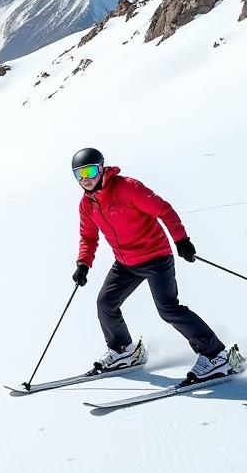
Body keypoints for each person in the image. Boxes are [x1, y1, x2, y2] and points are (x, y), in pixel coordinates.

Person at [70, 147, 236, 382]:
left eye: (90, 171)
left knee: (168, 309)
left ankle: (216, 355)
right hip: (125, 262)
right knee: (106, 303)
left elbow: (163, 210)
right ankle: (123, 352)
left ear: (102, 168)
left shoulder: (127, 187)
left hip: (156, 256)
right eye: (79, 174)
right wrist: (83, 264)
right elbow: (88, 237)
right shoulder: (87, 204)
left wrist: (181, 240)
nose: (85, 179)